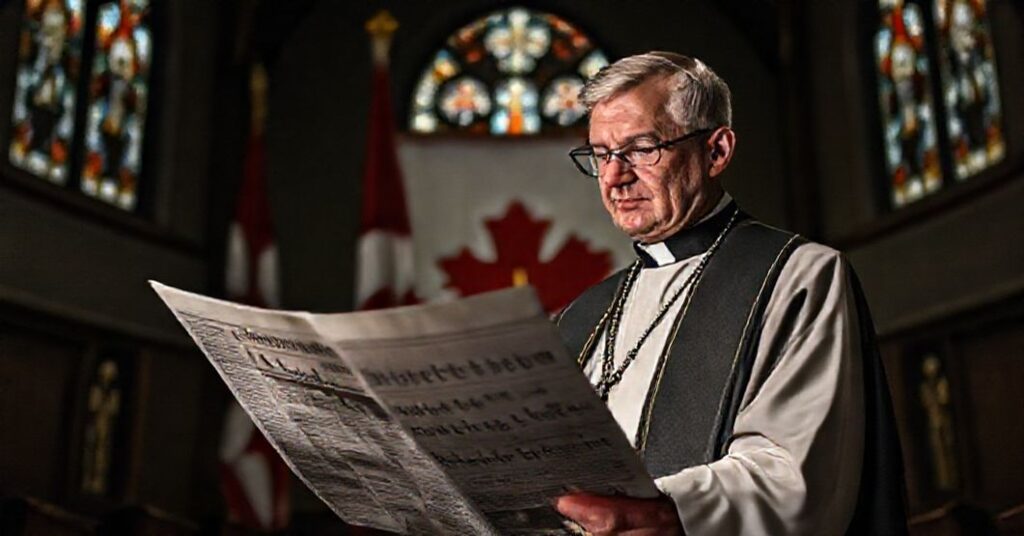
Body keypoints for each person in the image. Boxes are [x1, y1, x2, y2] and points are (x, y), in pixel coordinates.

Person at [553, 52, 907, 535]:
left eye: (641, 148)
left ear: (716, 151)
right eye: (601, 155)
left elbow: (797, 475)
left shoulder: (796, 275)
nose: (615, 177)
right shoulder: (584, 316)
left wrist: (668, 513)